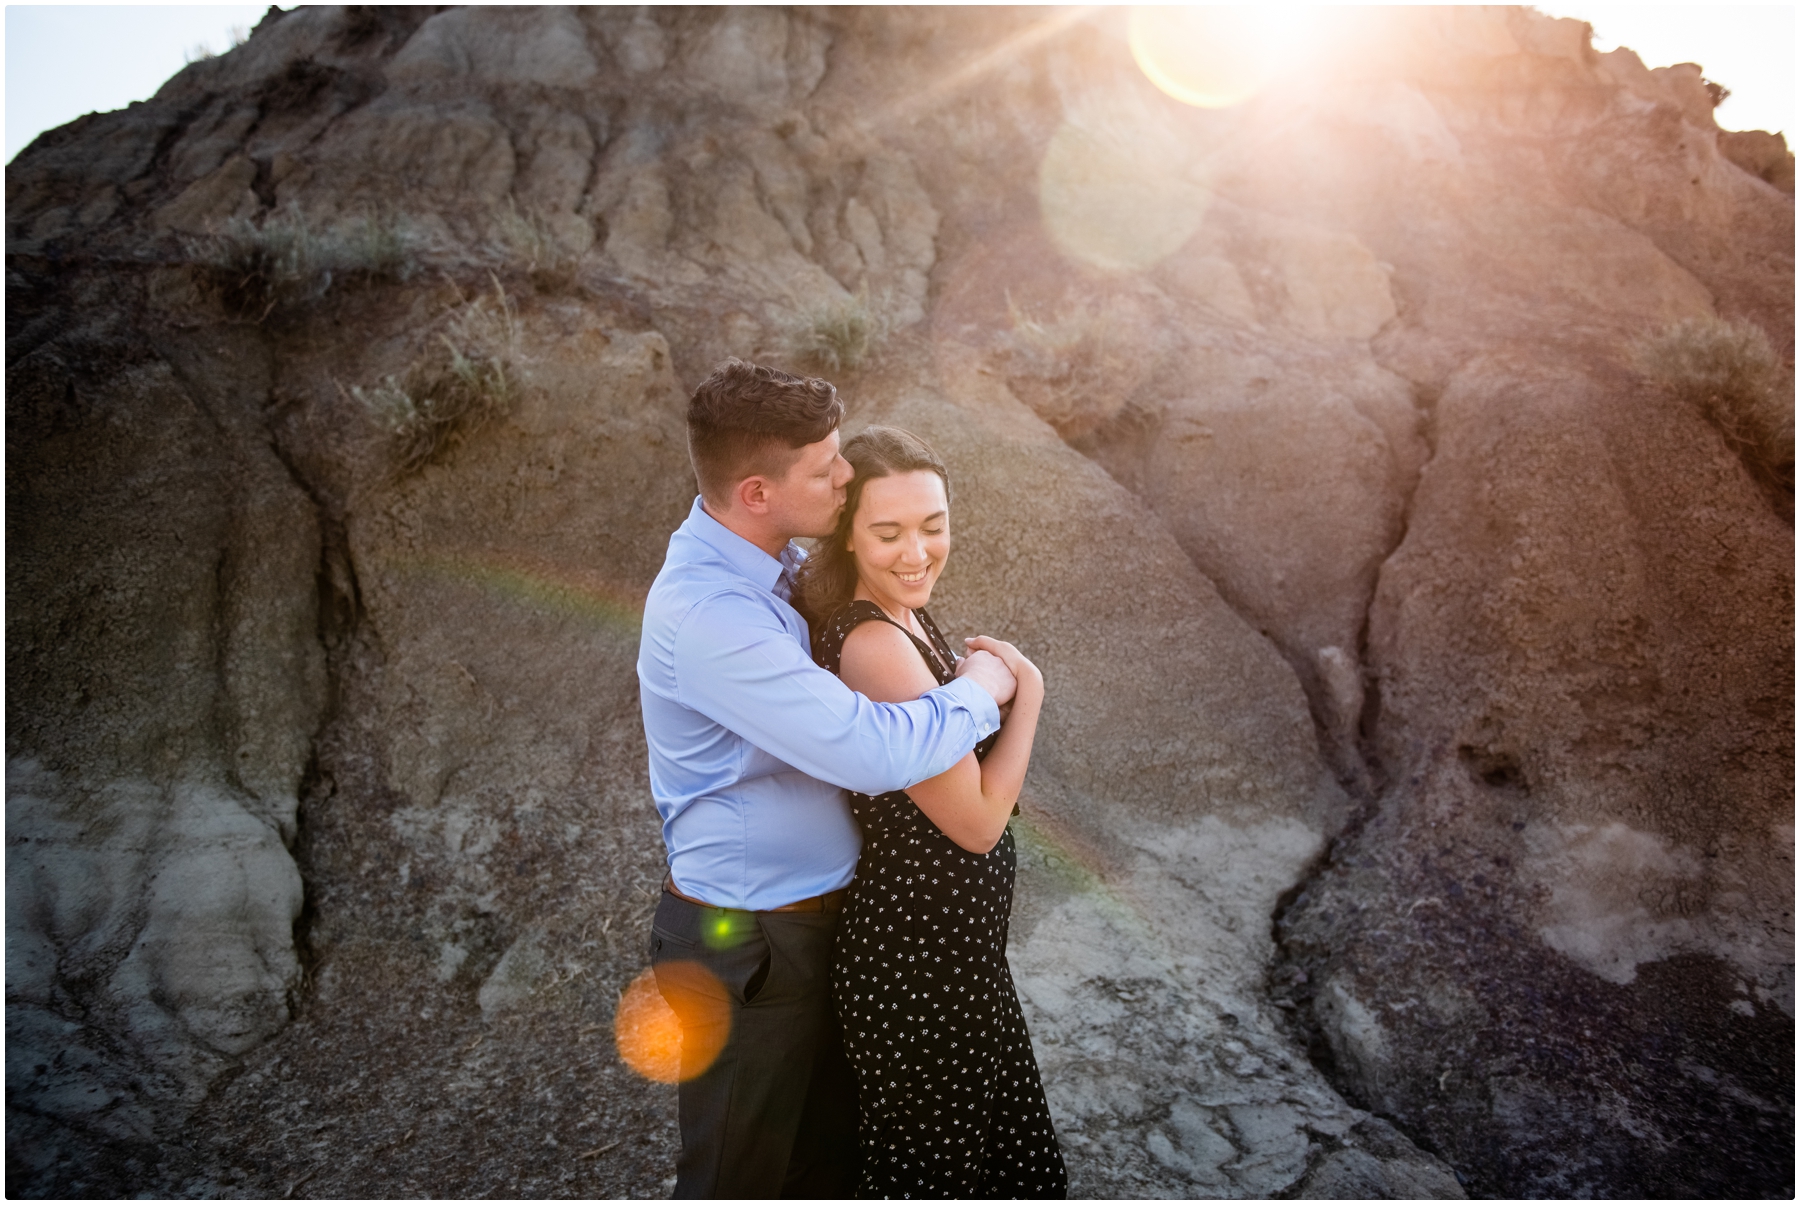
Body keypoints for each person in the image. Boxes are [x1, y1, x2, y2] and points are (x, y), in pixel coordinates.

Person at [637, 360, 1023, 1198]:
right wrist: (987, 689)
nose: (845, 476)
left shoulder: (766, 552)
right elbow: (871, 751)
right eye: (826, 469)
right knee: (739, 1177)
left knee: (825, 1172)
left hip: (818, 929)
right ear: (756, 492)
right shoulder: (712, 617)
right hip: (749, 943)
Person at [799, 426, 1068, 1198]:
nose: (916, 551)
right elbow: (978, 822)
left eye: (932, 524)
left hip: (959, 961)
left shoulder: (911, 620)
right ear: (848, 534)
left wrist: (995, 687)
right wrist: (1029, 694)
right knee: (937, 1177)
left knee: (1000, 1165)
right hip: (917, 969)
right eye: (888, 531)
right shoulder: (874, 645)